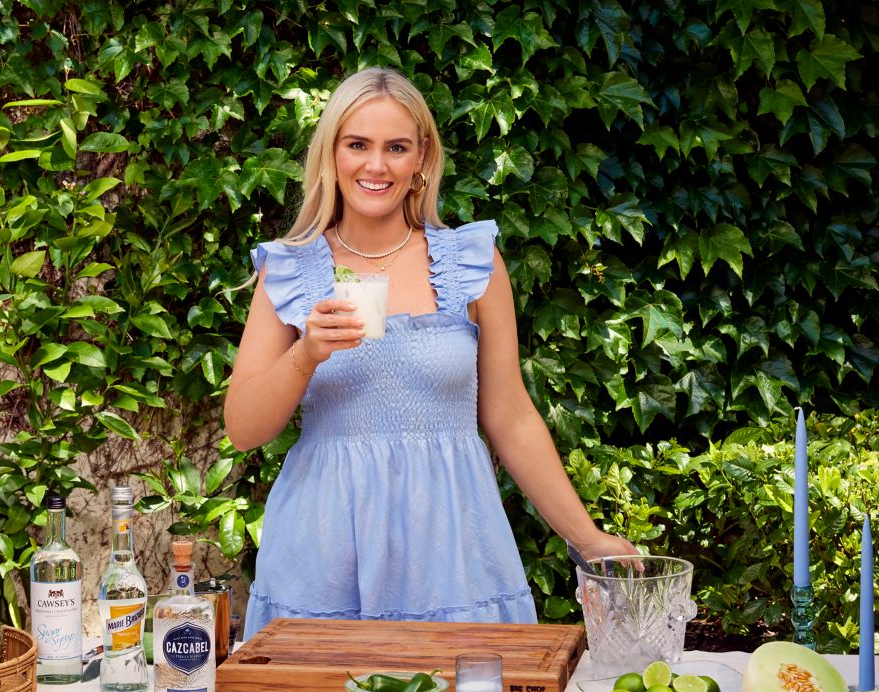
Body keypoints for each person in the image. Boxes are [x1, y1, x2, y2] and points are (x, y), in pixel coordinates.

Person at [225, 67, 639, 640]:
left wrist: (587, 538)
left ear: (421, 157)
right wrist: (306, 355)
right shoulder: (291, 268)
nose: (376, 165)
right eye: (357, 145)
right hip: (324, 552)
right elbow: (243, 429)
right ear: (331, 154)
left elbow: (511, 417)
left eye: (396, 147)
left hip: (453, 551)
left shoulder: (470, 261)